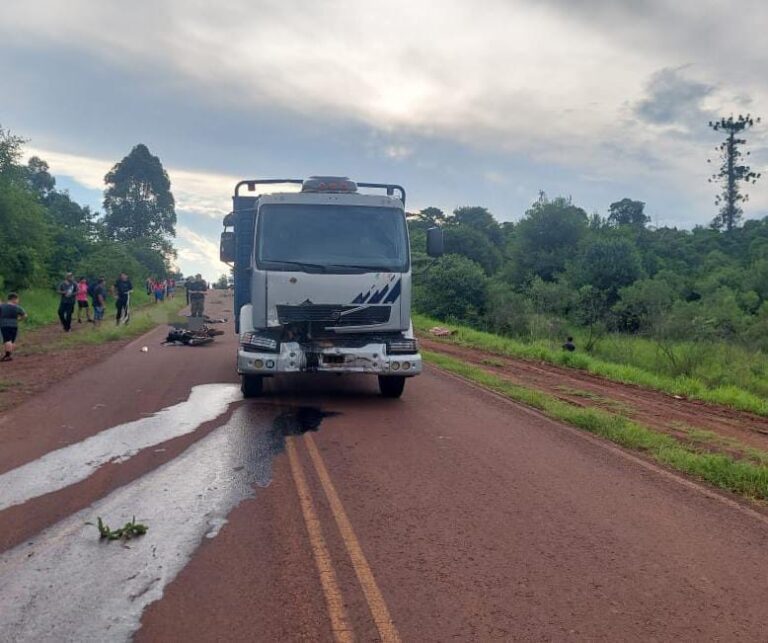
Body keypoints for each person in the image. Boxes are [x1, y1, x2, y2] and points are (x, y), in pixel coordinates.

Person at [0, 293, 27, 362]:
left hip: (4, 325)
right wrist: (19, 319)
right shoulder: (17, 307)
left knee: (7, 340)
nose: (18, 301)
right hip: (14, 325)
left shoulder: (2, 306)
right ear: (14, 299)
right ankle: (9, 354)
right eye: (17, 299)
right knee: (12, 340)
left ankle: (7, 355)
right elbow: (25, 315)